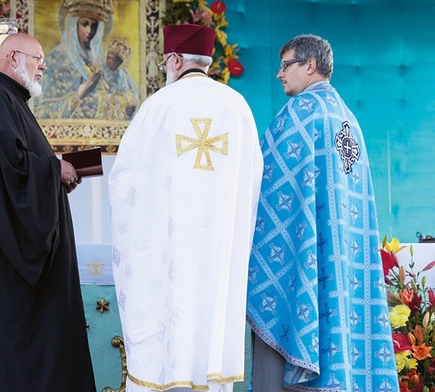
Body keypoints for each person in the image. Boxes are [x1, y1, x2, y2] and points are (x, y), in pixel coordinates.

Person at [108, 24, 263, 392]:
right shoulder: (237, 107)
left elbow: (125, 181)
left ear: (175, 60)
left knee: (166, 340)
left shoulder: (158, 106)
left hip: (169, 254)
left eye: (165, 63)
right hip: (218, 251)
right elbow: (253, 178)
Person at [246, 34, 399, 391]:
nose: (279, 75)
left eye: (285, 66)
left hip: (304, 268)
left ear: (310, 66)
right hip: (345, 271)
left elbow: (261, 185)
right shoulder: (349, 121)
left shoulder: (299, 116)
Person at [0, 33, 96, 392]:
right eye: (37, 58)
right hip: (5, 270)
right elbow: (6, 173)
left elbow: (16, 167)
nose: (44, 65)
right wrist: (53, 171)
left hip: (5, 265)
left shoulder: (8, 101)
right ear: (13, 57)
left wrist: (54, 175)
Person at [34, 0, 114, 119]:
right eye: (84, 24)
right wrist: (78, 96)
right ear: (73, 25)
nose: (89, 31)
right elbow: (41, 109)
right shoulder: (54, 60)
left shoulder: (104, 61)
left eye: (94, 26)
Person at [96, 37, 140, 120]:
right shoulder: (106, 71)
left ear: (118, 62)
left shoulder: (119, 74)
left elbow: (114, 89)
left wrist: (103, 81)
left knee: (105, 100)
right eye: (108, 57)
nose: (109, 61)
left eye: (112, 59)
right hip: (109, 94)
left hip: (118, 97)